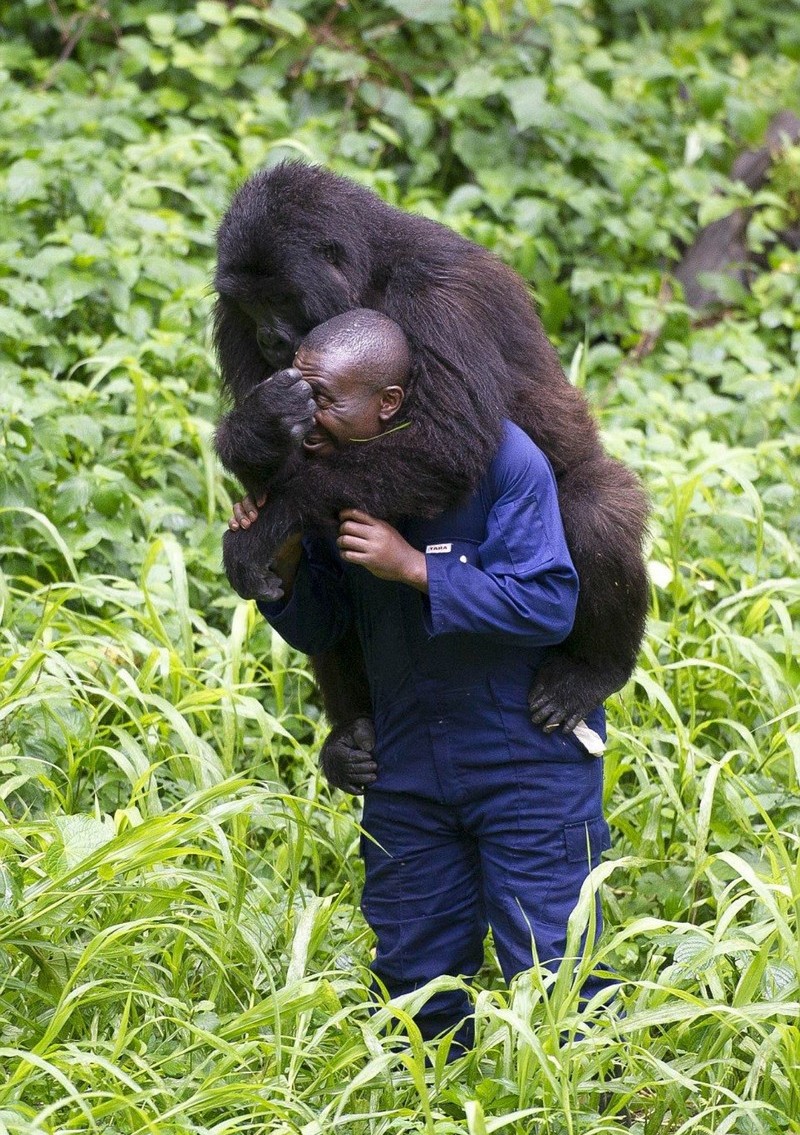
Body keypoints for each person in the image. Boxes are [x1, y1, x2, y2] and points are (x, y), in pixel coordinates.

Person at [230, 308, 612, 1052]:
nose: (307, 416)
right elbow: (327, 628)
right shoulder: (330, 477)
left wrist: (413, 566)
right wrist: (279, 568)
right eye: (300, 393)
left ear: (388, 403)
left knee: (560, 975)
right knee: (415, 984)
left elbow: (548, 601)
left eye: (326, 400)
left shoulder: (503, 458)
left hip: (526, 758)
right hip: (408, 767)